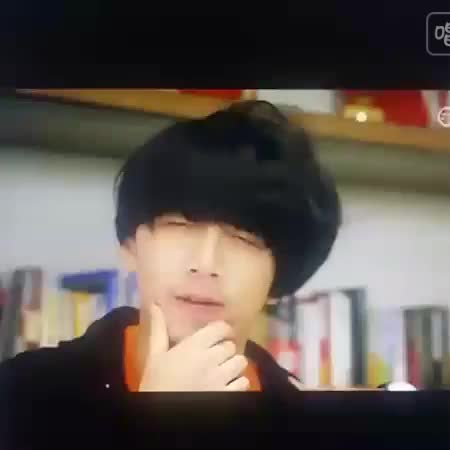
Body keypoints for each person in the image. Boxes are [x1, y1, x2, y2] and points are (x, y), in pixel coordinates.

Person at [0, 100, 341, 398]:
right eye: (179, 226)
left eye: (243, 239)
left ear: (280, 275)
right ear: (131, 245)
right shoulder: (26, 390)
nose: (205, 263)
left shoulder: (297, 416)